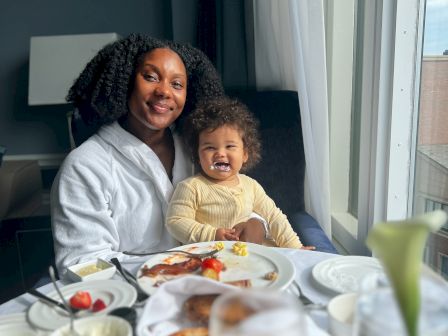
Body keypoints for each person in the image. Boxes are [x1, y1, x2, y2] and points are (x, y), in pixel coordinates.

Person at [51, 33, 266, 276]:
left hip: (217, 276)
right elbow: (82, 263)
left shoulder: (200, 149)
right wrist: (172, 268)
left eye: (177, 84)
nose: (164, 91)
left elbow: (238, 195)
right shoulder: (85, 165)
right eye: (151, 77)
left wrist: (257, 222)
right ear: (126, 82)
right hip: (131, 295)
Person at [166, 97, 314, 249]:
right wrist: (212, 234)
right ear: (197, 155)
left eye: (230, 146)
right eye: (210, 148)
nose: (220, 154)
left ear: (245, 154)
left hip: (248, 255)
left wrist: (295, 246)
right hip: (209, 258)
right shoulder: (191, 187)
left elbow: (274, 216)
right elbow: (175, 221)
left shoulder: (251, 185)